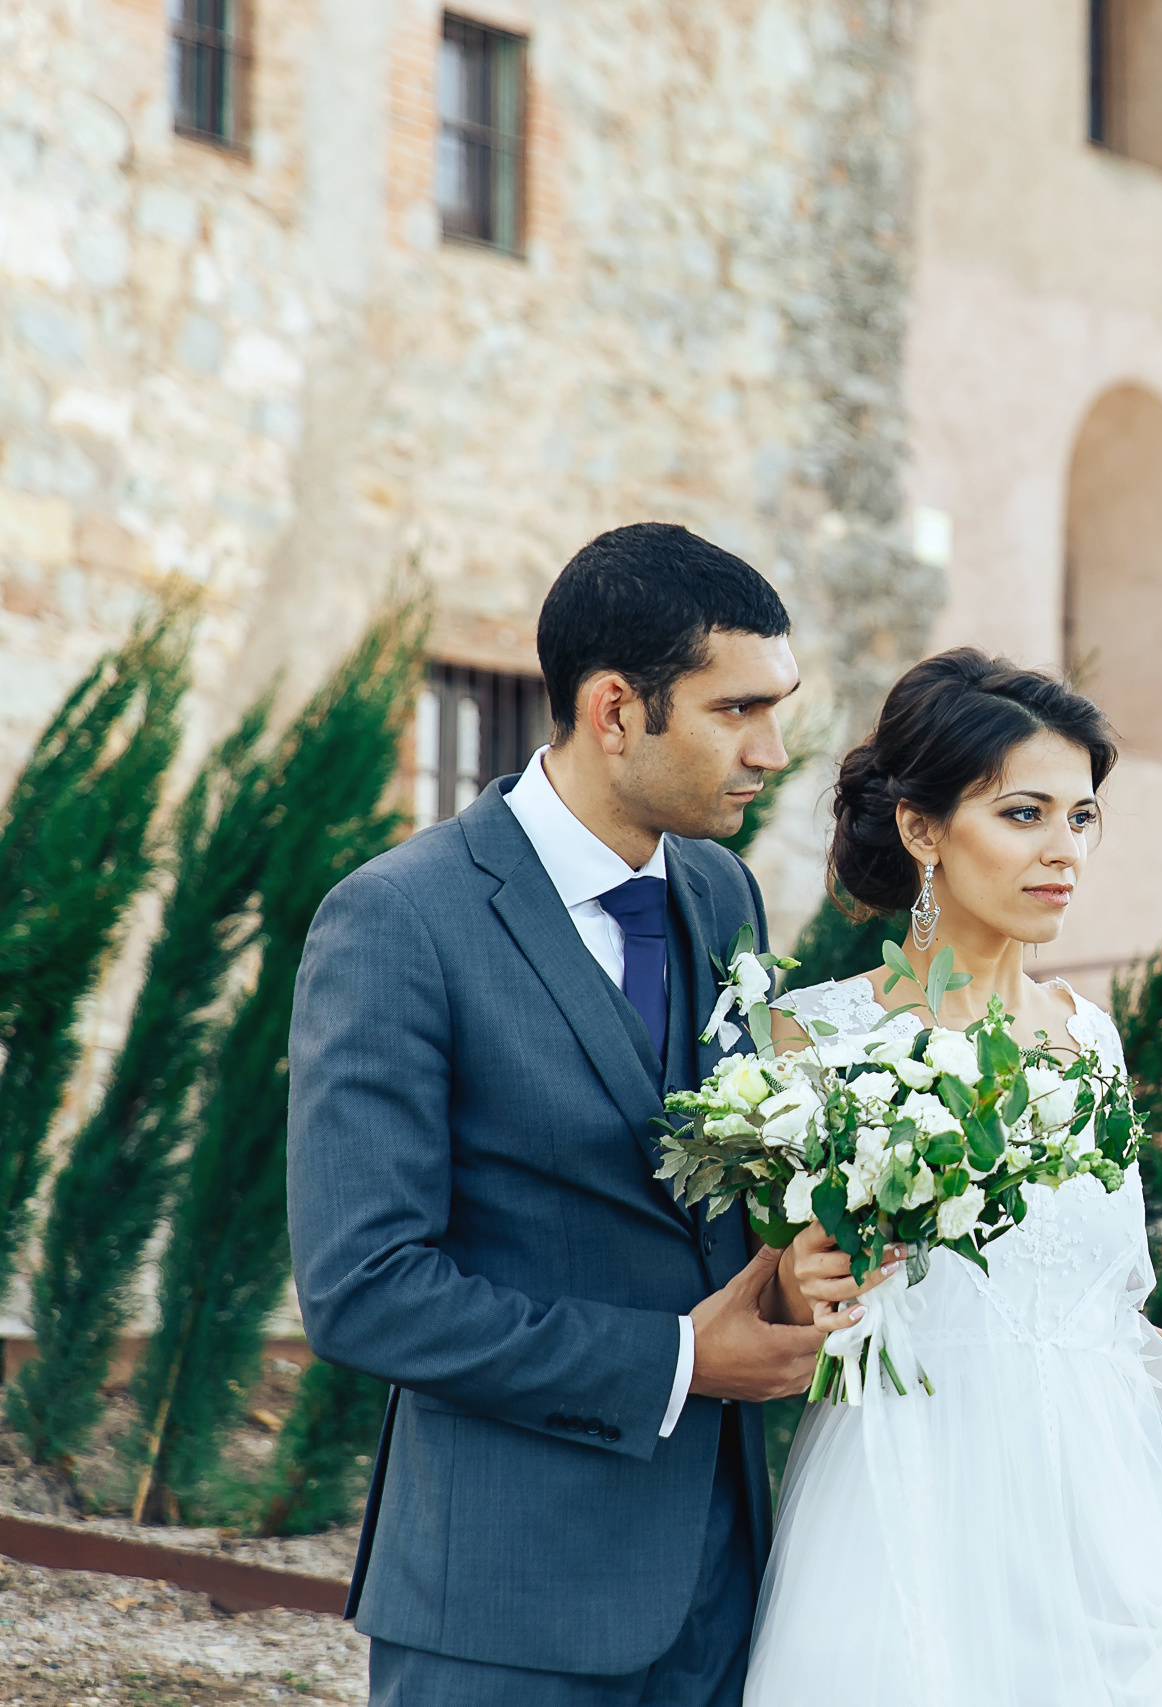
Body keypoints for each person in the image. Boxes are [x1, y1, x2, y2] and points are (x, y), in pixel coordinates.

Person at [288, 524, 866, 1706]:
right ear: (614, 710)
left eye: (781, 706)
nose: (774, 749)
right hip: (505, 1602)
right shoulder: (398, 921)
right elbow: (365, 1292)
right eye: (736, 711)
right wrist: (677, 1360)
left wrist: (797, 1261)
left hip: (723, 1580)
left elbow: (708, 1192)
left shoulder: (721, 890)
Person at [743, 649, 1162, 1704]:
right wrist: (801, 1284)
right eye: (1024, 814)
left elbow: (1098, 1336)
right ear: (923, 828)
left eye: (1082, 816)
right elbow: (778, 1314)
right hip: (907, 1529)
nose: (1063, 850)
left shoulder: (1088, 1040)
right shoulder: (815, 1043)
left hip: (1101, 1544)